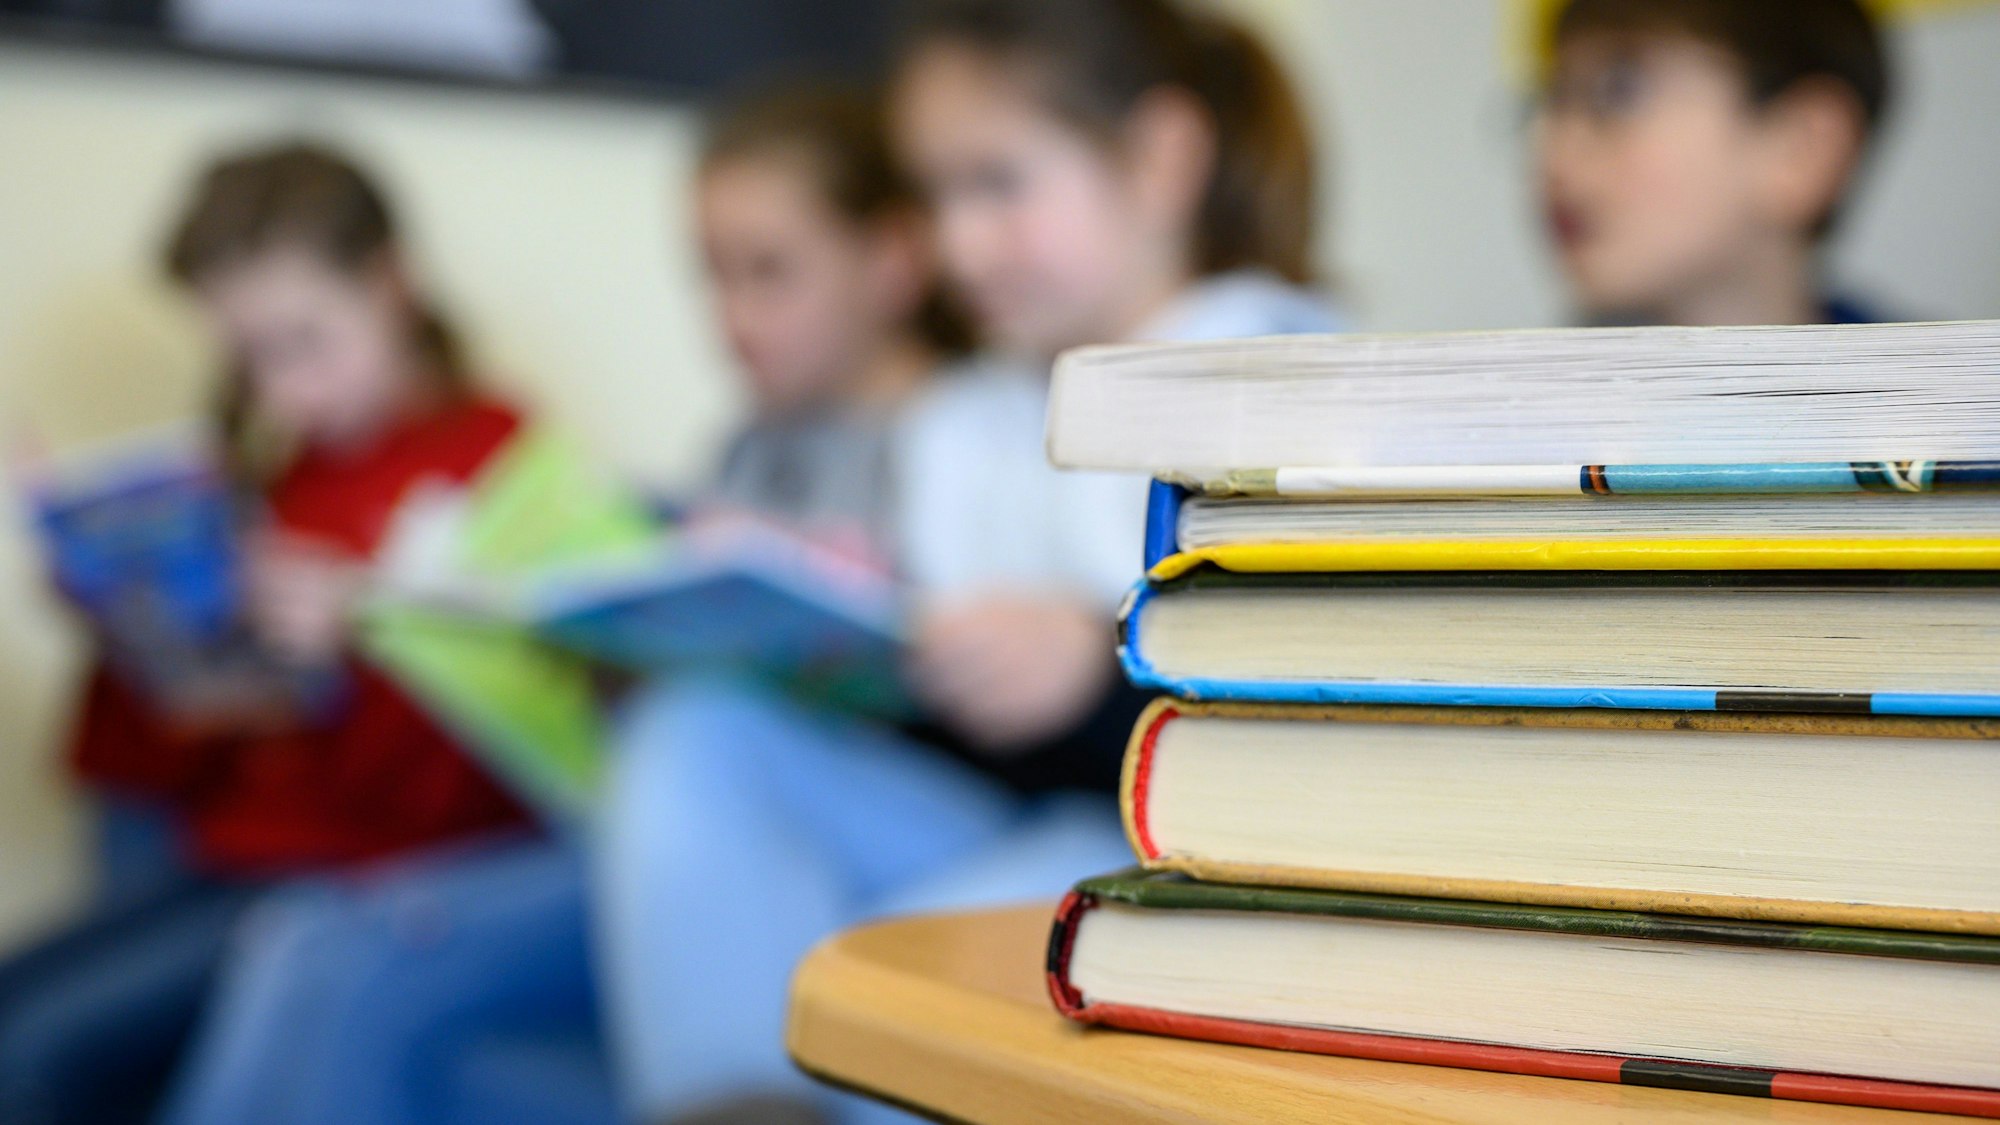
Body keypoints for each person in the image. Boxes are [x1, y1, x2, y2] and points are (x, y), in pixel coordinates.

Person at [151, 84, 976, 1125]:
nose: (729, 318)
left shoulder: (967, 442)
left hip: (849, 804)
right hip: (690, 808)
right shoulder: (748, 453)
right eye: (710, 276)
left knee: (331, 949)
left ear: (893, 260)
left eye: (767, 272)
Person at [594, 2, 1344, 1122]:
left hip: (1167, 852)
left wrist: (1097, 668)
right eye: (937, 196)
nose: (958, 247)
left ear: (1159, 159)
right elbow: (952, 723)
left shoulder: (1275, 373)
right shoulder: (963, 421)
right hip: (997, 813)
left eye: (998, 185)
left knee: (903, 982)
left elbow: (1322, 732)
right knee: (696, 732)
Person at [0, 143, 532, 1125]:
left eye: (305, 343)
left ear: (393, 284)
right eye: (250, 357)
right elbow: (172, 764)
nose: (283, 392)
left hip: (358, 886)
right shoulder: (277, 482)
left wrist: (365, 644)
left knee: (33, 1051)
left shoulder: (502, 474)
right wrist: (126, 621)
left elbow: (492, 783)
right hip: (228, 859)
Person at [1535, 0, 1893, 326]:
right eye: (1553, 102)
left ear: (1802, 148)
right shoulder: (1529, 377)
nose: (1555, 153)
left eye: (1619, 91)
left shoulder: (1920, 374)